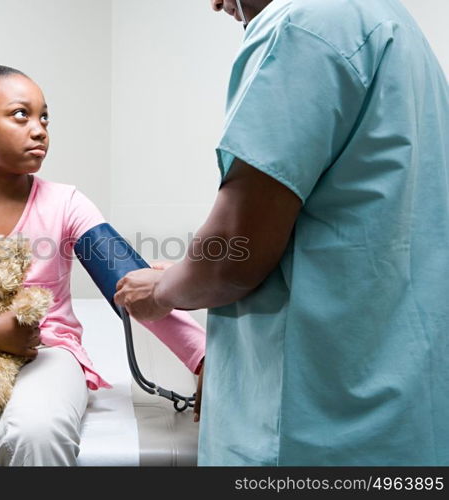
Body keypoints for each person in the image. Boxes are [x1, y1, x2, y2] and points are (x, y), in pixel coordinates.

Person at [115, 0, 449, 465]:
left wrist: (163, 291)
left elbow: (234, 252)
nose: (216, 3)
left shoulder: (303, 27)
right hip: (400, 418)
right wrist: (190, 273)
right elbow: (363, 231)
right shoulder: (394, 27)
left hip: (313, 431)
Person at [0, 64, 205, 466]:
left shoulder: (67, 204)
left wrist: (202, 358)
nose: (39, 130)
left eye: (44, 117)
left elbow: (132, 287)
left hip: (48, 353)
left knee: (37, 432)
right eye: (21, 115)